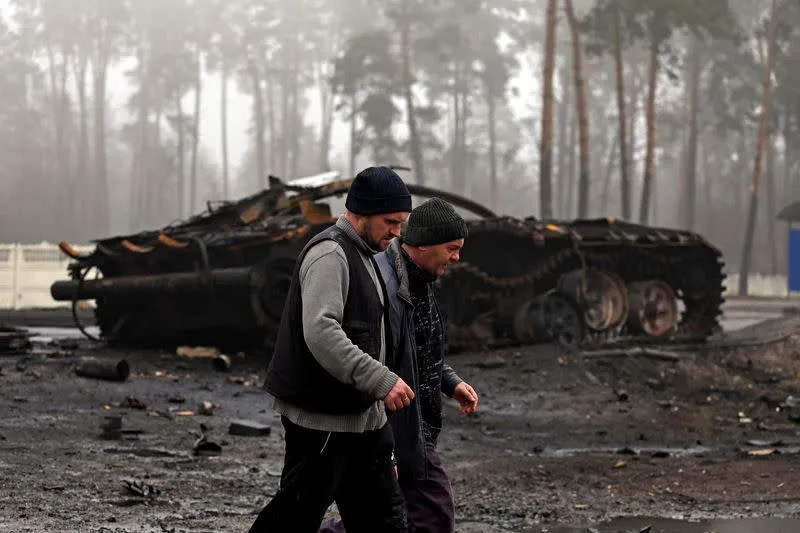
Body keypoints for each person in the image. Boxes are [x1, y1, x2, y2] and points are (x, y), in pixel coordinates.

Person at [249, 166, 416, 533]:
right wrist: (381, 380)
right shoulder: (330, 256)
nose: (396, 232)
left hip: (365, 421)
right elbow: (322, 332)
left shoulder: (366, 255)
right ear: (361, 211)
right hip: (322, 422)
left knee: (385, 522)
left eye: (401, 223)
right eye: (391, 221)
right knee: (294, 519)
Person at [320, 197, 479, 533]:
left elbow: (415, 348)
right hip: (397, 426)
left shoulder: (417, 279)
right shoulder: (387, 289)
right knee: (433, 516)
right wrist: (386, 448)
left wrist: (448, 381)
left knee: (384, 519)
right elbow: (376, 363)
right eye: (452, 248)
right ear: (422, 245)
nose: (457, 257)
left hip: (412, 422)